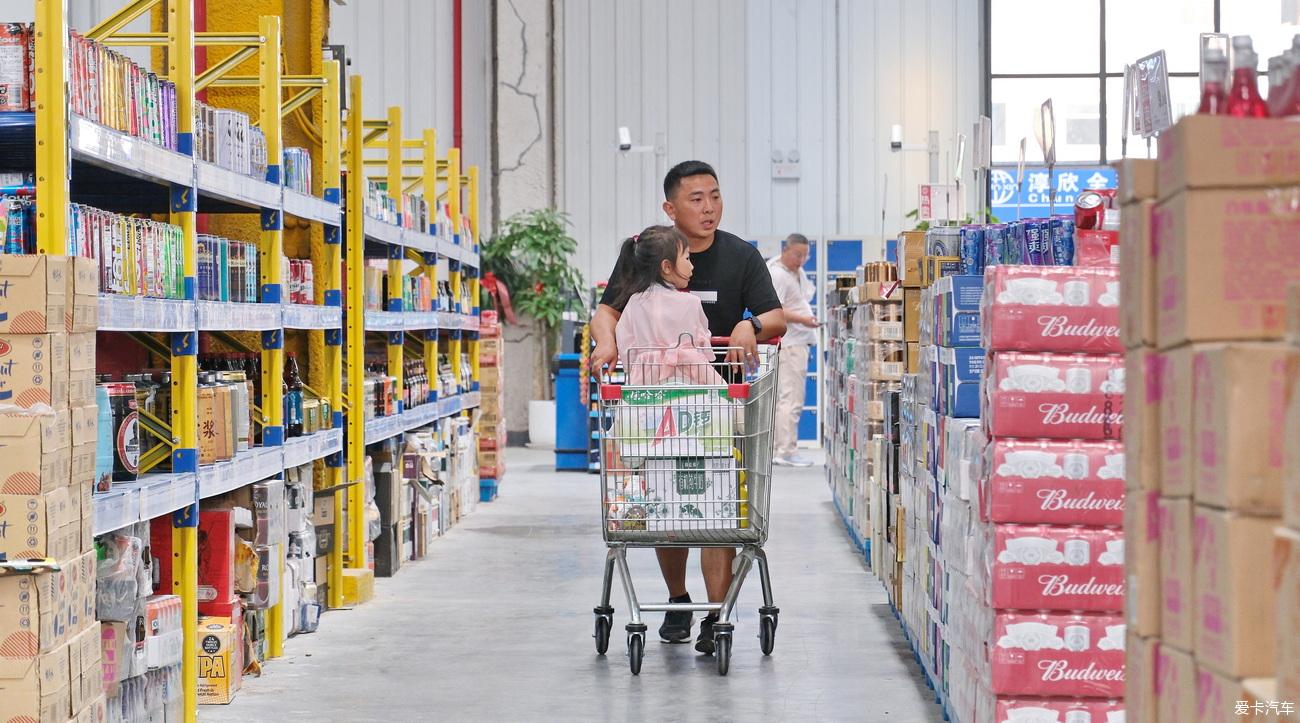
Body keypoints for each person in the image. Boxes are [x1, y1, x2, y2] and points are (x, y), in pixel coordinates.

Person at [590, 160, 786, 654]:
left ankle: (715, 616)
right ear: (670, 208)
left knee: (716, 507)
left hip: (717, 403)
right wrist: (606, 343)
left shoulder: (741, 255)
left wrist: (750, 327)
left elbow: (774, 314)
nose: (709, 207)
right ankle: (679, 601)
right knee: (665, 504)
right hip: (656, 405)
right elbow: (608, 310)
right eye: (696, 198)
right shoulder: (648, 251)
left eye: (715, 195)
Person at [609, 226, 722, 386]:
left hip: (646, 379)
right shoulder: (691, 302)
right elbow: (702, 342)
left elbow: (625, 342)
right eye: (687, 258)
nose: (692, 266)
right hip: (688, 376)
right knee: (725, 405)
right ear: (667, 267)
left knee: (644, 411)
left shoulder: (634, 302)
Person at [767, 234, 819, 467]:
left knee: (786, 398)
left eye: (805, 255)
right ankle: (786, 450)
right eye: (798, 254)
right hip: (791, 343)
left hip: (797, 340)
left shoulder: (795, 273)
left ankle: (782, 448)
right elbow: (775, 309)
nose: (801, 259)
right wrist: (804, 320)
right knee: (791, 398)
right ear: (785, 249)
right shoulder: (778, 274)